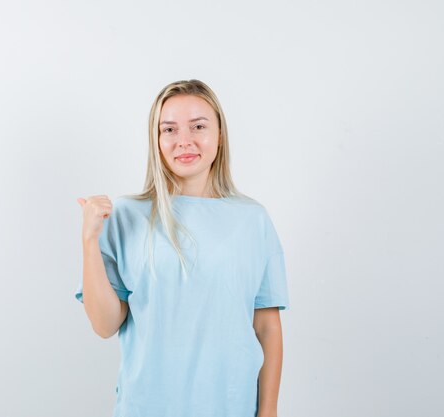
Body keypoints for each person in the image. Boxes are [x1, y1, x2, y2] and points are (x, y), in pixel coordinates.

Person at [75, 79, 290, 417]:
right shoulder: (127, 216)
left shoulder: (252, 220)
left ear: (219, 135)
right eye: (169, 130)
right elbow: (105, 325)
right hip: (147, 407)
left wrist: (269, 411)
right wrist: (89, 240)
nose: (184, 141)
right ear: (156, 140)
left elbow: (266, 326)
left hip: (230, 406)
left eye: (198, 126)